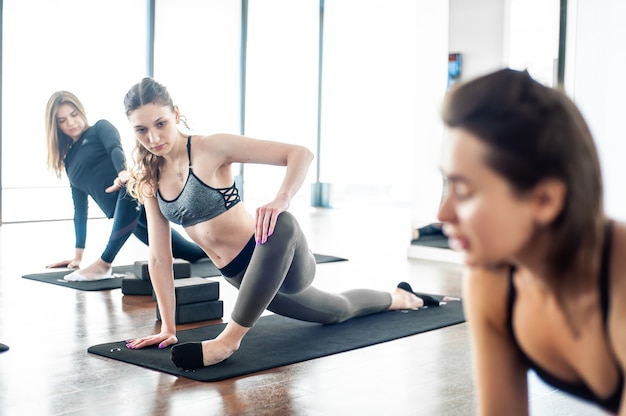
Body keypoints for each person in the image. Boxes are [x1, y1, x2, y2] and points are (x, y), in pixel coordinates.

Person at [123, 77, 446, 370]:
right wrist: (168, 327)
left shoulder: (211, 147)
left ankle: (228, 341)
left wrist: (281, 198)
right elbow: (159, 257)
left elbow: (299, 153)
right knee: (337, 311)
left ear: (176, 114)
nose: (153, 137)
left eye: (160, 123)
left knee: (282, 222)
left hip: (282, 261)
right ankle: (401, 297)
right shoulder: (150, 177)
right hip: (243, 277)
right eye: (141, 130)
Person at [437, 68, 625, 415]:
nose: (442, 213)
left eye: (463, 190)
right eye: (446, 184)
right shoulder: (490, 279)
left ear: (545, 200)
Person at [45, 91, 208, 281]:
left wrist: (123, 172)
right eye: (62, 120)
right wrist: (77, 257)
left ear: (81, 111)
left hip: (135, 197)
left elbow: (114, 148)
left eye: (74, 115)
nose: (71, 123)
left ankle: (104, 264)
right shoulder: (70, 161)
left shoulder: (99, 128)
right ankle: (222, 247)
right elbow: (80, 209)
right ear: (55, 125)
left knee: (129, 186)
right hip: (130, 218)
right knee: (193, 253)